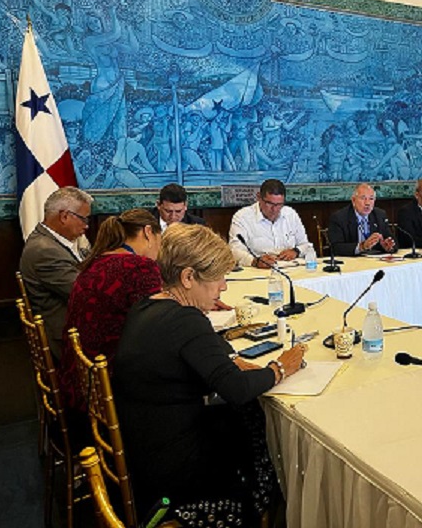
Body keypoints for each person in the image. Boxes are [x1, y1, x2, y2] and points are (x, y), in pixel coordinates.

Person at [113, 224, 305, 522]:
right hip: (173, 471)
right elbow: (236, 389)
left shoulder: (146, 305)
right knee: (254, 426)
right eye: (218, 278)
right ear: (188, 277)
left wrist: (224, 351)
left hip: (142, 447)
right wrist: (281, 368)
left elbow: (196, 353)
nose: (224, 287)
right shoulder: (185, 321)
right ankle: (262, 510)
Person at [59, 209, 163, 414]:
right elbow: (157, 327)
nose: (160, 248)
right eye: (161, 240)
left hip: (80, 379)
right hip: (108, 386)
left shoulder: (99, 260)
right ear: (148, 232)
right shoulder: (139, 266)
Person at [19, 187, 93, 360]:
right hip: (65, 336)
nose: (87, 225)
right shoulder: (45, 251)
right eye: (83, 219)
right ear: (64, 216)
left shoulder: (50, 241)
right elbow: (84, 293)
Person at [228, 179, 311, 268]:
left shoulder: (290, 214)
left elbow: (306, 245)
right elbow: (234, 251)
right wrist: (255, 261)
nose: (274, 209)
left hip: (290, 268)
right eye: (270, 203)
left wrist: (296, 251)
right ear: (259, 197)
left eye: (279, 204)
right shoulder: (242, 217)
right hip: (257, 271)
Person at [328, 183, 397, 256]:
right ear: (353, 200)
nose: (367, 203)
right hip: (351, 262)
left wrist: (387, 246)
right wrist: (362, 246)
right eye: (363, 198)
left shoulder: (380, 215)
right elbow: (336, 247)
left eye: (371, 199)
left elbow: (393, 242)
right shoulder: (339, 218)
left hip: (374, 261)